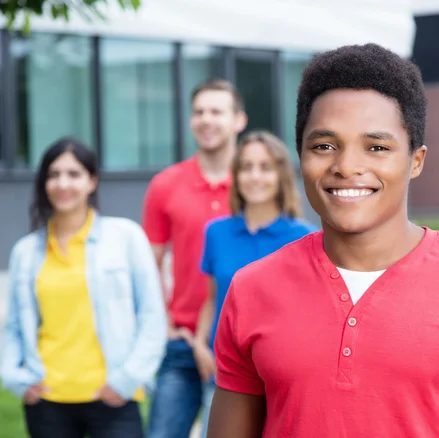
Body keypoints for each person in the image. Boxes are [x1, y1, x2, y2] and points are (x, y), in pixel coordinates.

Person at [206, 44, 439, 438]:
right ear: (300, 156)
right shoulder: (252, 289)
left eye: (377, 147)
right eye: (324, 146)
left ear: (416, 160)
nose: (347, 166)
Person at [0, 138, 166, 438]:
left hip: (113, 395)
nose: (63, 183)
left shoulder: (125, 237)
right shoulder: (26, 252)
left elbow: (152, 316)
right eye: (54, 174)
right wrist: (17, 379)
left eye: (74, 174)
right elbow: (12, 328)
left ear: (92, 181)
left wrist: (127, 380)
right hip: (48, 399)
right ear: (44, 183)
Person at [194, 130, 317, 437]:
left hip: (281, 377)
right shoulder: (216, 233)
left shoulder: (306, 237)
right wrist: (199, 343)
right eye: (246, 167)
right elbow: (212, 298)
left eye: (265, 167)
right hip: (224, 372)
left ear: (280, 175)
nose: (255, 176)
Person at [143, 79, 248, 438]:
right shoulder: (165, 184)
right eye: (199, 112)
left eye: (217, 111)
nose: (206, 119)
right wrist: (164, 323)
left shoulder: (257, 182)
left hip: (243, 344)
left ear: (239, 120)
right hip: (184, 342)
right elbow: (149, 264)